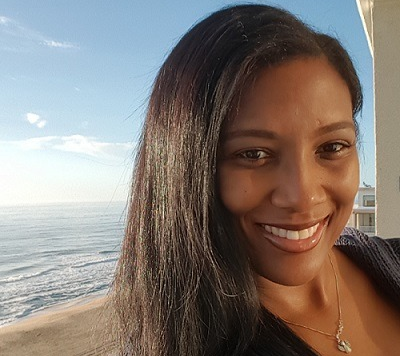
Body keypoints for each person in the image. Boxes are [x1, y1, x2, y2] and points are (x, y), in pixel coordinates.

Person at [111, 4, 400, 355]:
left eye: (332, 146)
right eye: (253, 154)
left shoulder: (389, 259)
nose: (302, 195)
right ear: (186, 171)